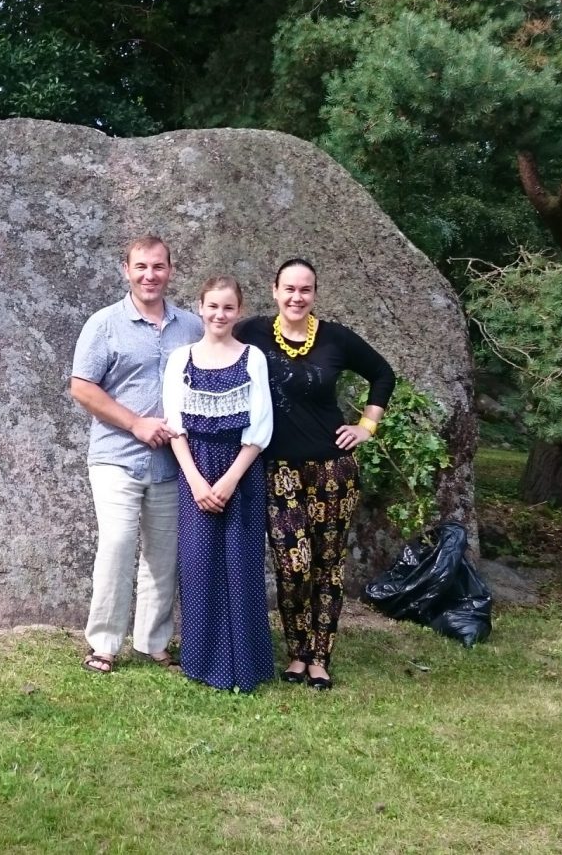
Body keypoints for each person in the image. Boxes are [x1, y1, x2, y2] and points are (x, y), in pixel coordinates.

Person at [235, 258, 395, 690]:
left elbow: (383, 374)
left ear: (315, 294)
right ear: (275, 291)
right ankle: (296, 651)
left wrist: (366, 426)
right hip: (279, 469)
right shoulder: (251, 333)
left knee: (327, 564)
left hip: (333, 469)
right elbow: (215, 353)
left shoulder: (335, 337)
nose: (296, 297)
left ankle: (319, 657)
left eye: (305, 289)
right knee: (293, 566)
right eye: (289, 288)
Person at [70, 235, 203, 674]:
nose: (150, 275)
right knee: (117, 545)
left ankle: (153, 643)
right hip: (117, 457)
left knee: (163, 556)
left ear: (171, 270)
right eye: (141, 267)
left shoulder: (191, 328)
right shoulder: (104, 324)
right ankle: (104, 644)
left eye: (158, 266)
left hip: (171, 463)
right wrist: (135, 423)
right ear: (126, 270)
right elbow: (82, 387)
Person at [161, 276, 273, 691]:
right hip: (195, 470)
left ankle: (246, 662)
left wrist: (229, 480)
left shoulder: (252, 358)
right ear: (201, 308)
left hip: (240, 472)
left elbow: (261, 427)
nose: (219, 315)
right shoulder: (181, 359)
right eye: (212, 306)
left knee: (242, 565)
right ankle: (202, 660)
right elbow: (174, 425)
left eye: (228, 308)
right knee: (199, 565)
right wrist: (195, 481)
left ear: (238, 311)